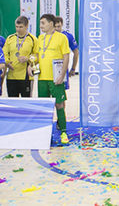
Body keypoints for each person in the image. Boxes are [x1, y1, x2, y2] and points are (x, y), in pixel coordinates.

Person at [32, 14, 71, 144]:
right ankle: (45, 134)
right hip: (42, 78)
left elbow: (66, 56)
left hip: (55, 78)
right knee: (45, 106)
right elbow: (37, 56)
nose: (41, 26)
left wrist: (62, 75)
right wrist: (31, 65)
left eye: (43, 23)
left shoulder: (61, 37)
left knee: (59, 104)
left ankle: (63, 132)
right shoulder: (40, 38)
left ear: (51, 24)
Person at [2, 16, 38, 97]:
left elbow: (37, 56)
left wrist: (28, 59)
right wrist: (7, 62)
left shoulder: (33, 39)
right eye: (16, 27)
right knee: (12, 101)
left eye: (21, 27)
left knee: (26, 102)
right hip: (11, 76)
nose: (18, 29)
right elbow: (4, 53)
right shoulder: (10, 38)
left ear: (26, 26)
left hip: (26, 77)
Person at [54, 16, 79, 91]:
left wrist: (73, 68)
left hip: (61, 67)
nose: (57, 29)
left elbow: (76, 52)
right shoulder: (47, 36)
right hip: (48, 68)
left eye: (58, 26)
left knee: (61, 92)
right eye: (55, 27)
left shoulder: (68, 36)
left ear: (62, 24)